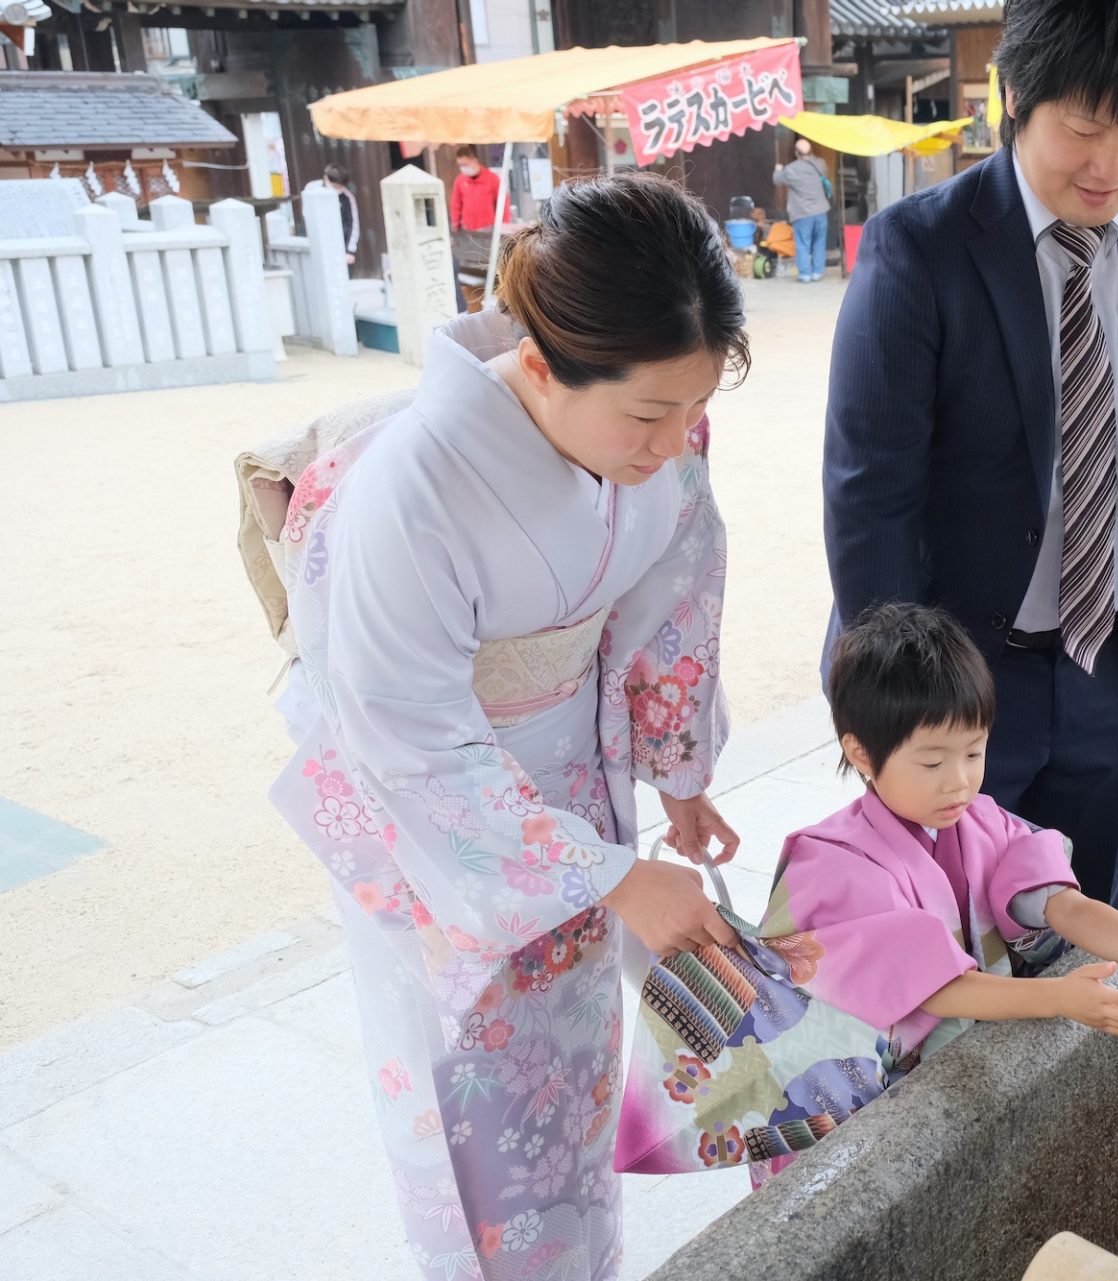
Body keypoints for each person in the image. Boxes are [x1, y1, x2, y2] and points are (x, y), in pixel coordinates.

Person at [267, 171, 746, 1281]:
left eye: (696, 408)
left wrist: (678, 771)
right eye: (648, 414)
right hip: (444, 838)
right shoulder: (413, 489)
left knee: (570, 1088)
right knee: (470, 1106)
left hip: (573, 779)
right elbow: (410, 737)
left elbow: (675, 583)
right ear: (539, 366)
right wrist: (610, 880)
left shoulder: (660, 436)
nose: (677, 442)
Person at [822, 0, 1118, 908]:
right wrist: (899, 705)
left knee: (1084, 922)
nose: (1110, 165)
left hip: (1108, 669)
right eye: (1083, 127)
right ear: (1016, 95)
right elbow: (870, 491)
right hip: (957, 677)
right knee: (947, 944)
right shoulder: (919, 247)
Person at [753, 603, 1118, 1170]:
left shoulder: (981, 821)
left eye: (974, 752)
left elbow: (1065, 906)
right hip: (855, 1116)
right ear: (861, 753)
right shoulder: (832, 863)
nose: (960, 781)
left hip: (939, 1086)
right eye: (932, 762)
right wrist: (1061, 999)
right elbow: (931, 986)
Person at [450, 144, 511, 311]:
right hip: (467, 233)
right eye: (460, 165)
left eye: (465, 164)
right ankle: (473, 306)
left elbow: (502, 202)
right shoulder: (460, 181)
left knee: (491, 271)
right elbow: (455, 204)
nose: (463, 168)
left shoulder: (492, 178)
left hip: (488, 232)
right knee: (469, 274)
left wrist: (503, 224)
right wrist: (455, 225)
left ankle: (497, 304)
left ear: (474, 160)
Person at [772, 137, 830, 282]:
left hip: (803, 214)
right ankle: (818, 272)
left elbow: (777, 180)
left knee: (803, 244)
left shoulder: (791, 170)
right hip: (821, 211)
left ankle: (805, 274)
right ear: (811, 151)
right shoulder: (820, 164)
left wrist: (778, 170)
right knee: (819, 242)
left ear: (796, 153)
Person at [323, 162, 359, 266]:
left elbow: (353, 224)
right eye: (335, 186)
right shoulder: (314, 191)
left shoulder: (347, 198)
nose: (338, 189)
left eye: (340, 186)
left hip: (341, 247)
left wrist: (350, 251)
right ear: (326, 179)